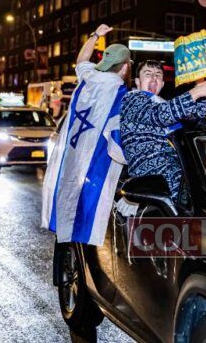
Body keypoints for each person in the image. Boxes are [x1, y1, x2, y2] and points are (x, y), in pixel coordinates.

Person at [41, 23, 133, 246]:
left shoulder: (88, 78)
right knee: (83, 223)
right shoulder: (121, 95)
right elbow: (118, 147)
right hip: (94, 176)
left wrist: (95, 35)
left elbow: (81, 60)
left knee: (65, 218)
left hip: (69, 165)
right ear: (124, 68)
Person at [121, 60, 206, 202]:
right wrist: (197, 92)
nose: (154, 78)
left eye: (158, 75)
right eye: (148, 74)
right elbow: (162, 115)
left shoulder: (160, 102)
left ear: (162, 84)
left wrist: (203, 94)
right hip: (154, 181)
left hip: (174, 177)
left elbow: (194, 116)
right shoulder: (132, 100)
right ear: (138, 82)